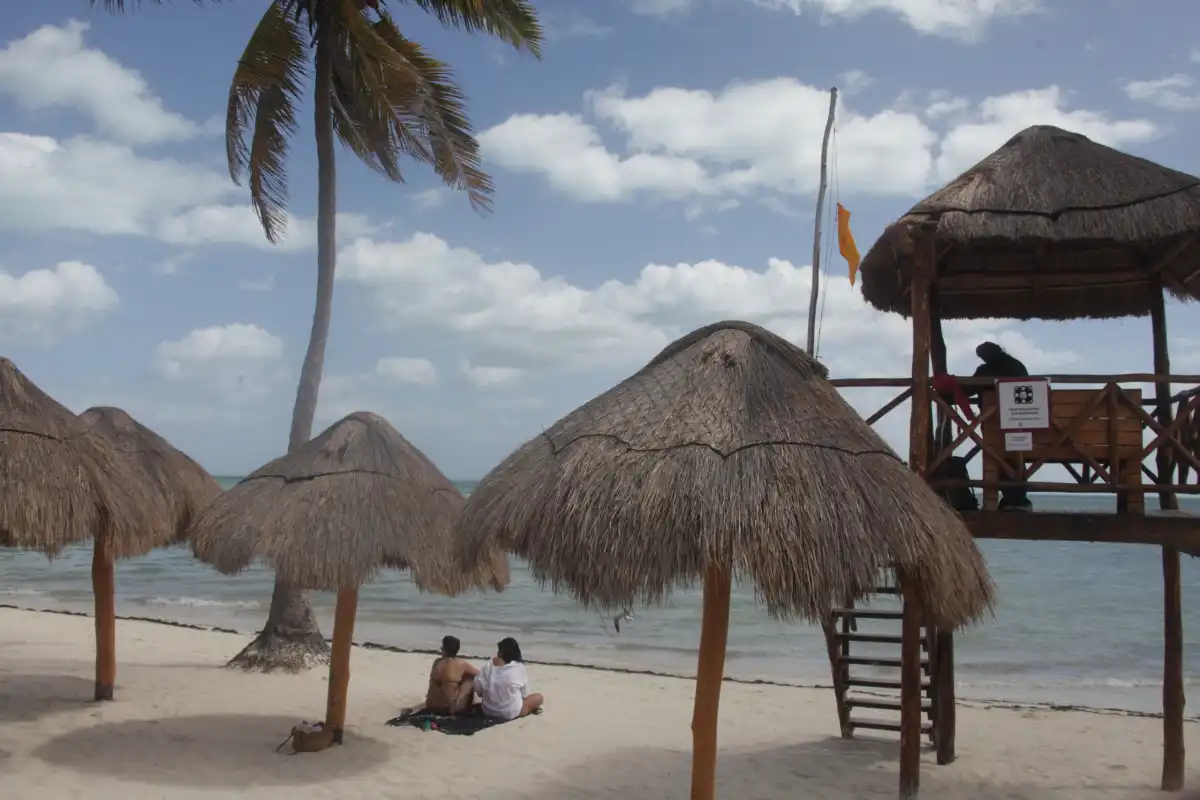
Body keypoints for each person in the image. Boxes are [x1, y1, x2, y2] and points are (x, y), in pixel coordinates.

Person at [968, 341, 1032, 511]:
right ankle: (1018, 500)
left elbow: (969, 389)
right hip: (1023, 424)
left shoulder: (986, 370)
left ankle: (1006, 500)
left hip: (995, 425)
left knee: (998, 459)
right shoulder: (1018, 367)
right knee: (1016, 459)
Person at [472, 637, 543, 720]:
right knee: (538, 698)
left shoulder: (488, 665)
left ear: (501, 653)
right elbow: (525, 694)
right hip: (509, 713)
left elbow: (479, 691)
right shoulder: (518, 668)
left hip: (488, 710)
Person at [424, 635, 479, 714]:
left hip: (430, 705)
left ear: (443, 649)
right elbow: (480, 675)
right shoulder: (461, 664)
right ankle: (466, 706)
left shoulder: (437, 662)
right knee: (469, 680)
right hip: (448, 709)